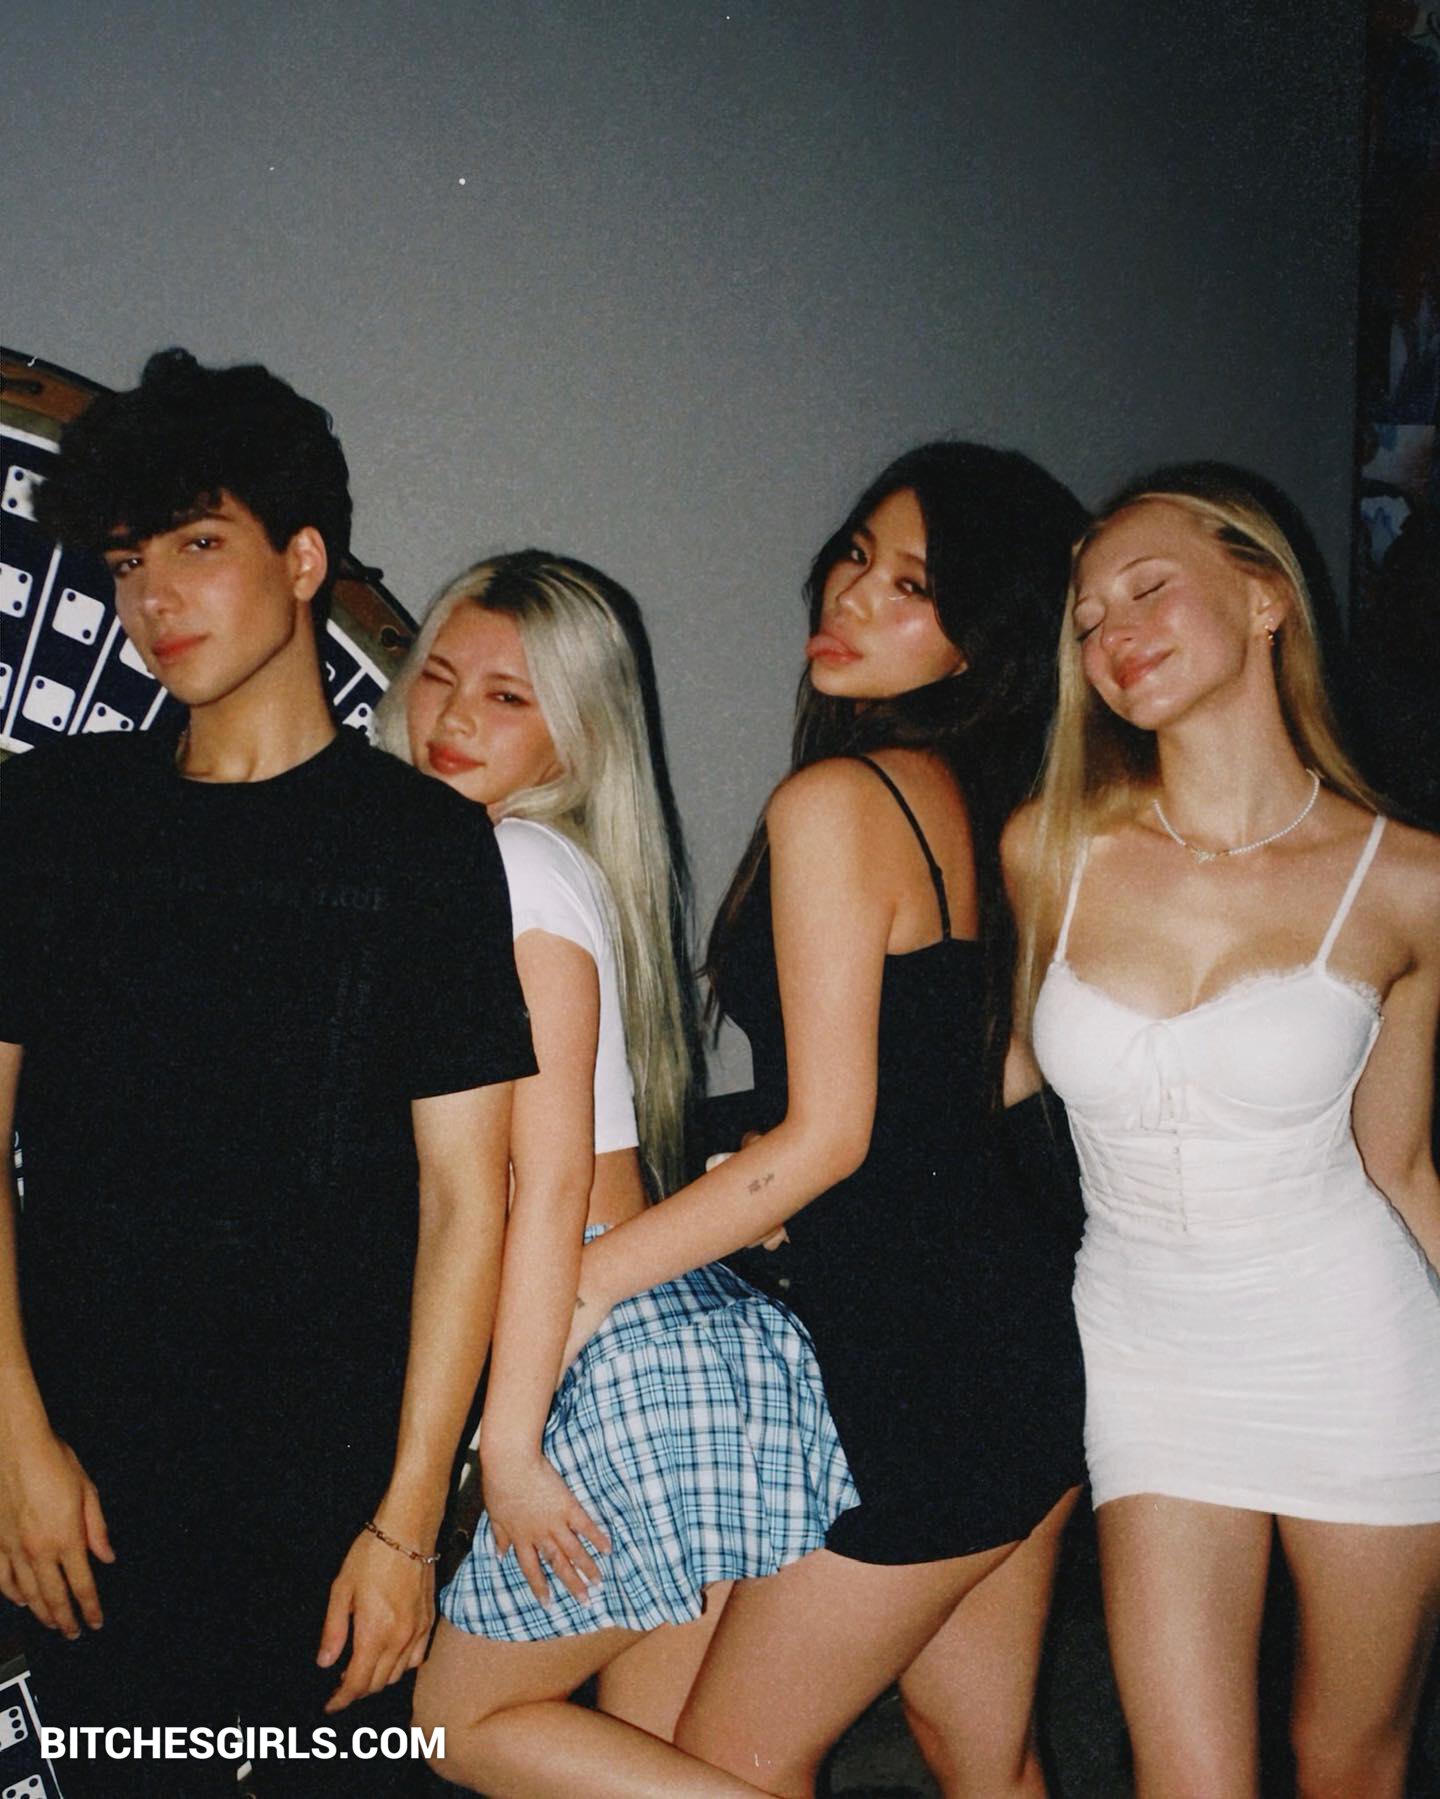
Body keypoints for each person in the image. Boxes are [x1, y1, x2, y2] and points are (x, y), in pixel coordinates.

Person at [0, 349, 534, 1795]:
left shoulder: (423, 845)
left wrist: (408, 1518)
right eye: (127, 561)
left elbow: (464, 1202)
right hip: (91, 1457)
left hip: (327, 1471)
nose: (152, 598)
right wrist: (15, 1436)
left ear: (303, 560)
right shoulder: (51, 813)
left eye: (197, 544)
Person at [563, 443, 1089, 1796]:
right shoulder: (996, 807)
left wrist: (586, 1284)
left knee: (732, 1759)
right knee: (984, 1755)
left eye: (913, 584)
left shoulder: (839, 801)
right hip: (1016, 1337)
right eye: (858, 554)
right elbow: (979, 1092)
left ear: (982, 639)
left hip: (920, 1368)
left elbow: (833, 1134)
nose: (854, 593)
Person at [378, 551, 857, 1796]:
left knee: (454, 1724)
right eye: (438, 675)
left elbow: (544, 1186)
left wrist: (510, 1444)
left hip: (611, 1354)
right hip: (677, 1341)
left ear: (577, 731)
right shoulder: (537, 863)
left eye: (508, 696)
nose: (453, 715)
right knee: (655, 1760)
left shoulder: (512, 869)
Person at [1007, 464, 1440, 1796]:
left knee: (1345, 1758)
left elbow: (1400, 1161)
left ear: (1264, 596)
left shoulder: (1409, 878)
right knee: (1188, 1773)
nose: (1112, 634)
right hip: (1147, 1350)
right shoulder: (1048, 848)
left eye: (1148, 588)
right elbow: (997, 1080)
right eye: (1089, 619)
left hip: (1357, 1351)